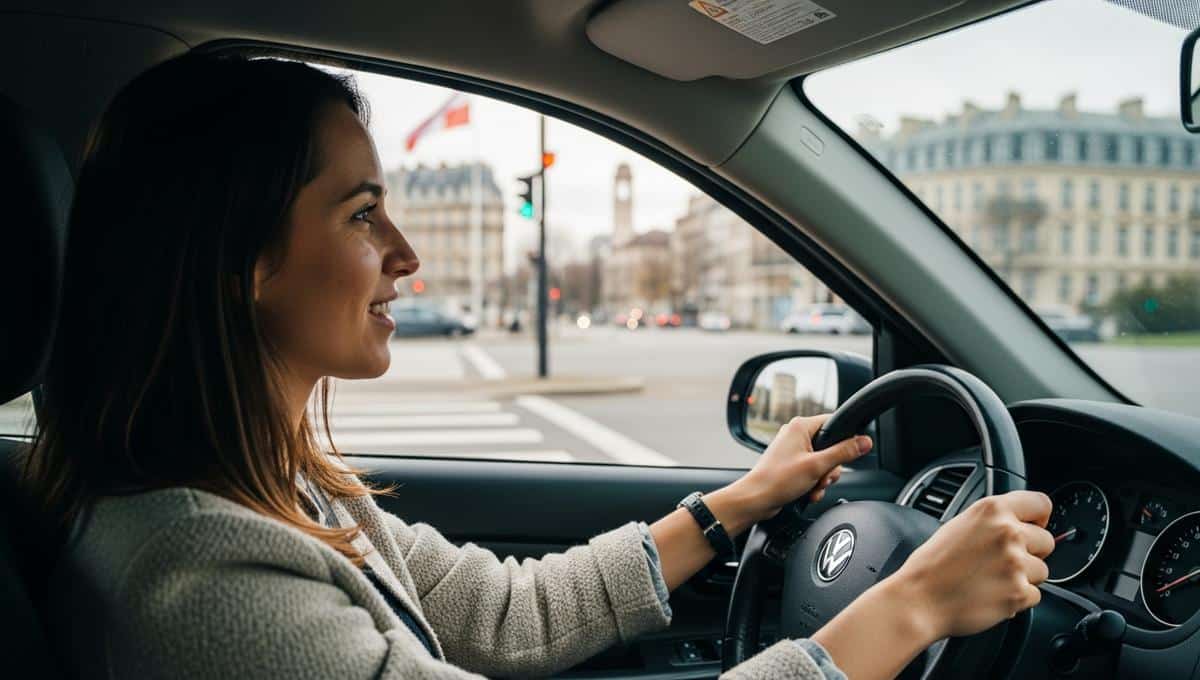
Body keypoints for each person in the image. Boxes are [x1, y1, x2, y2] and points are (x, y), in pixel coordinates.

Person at [22, 54, 1054, 680]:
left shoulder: (272, 483)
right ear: (240, 261)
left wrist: (738, 502)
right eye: (361, 213)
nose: (405, 254)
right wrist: (909, 606)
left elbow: (507, 613)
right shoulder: (205, 575)